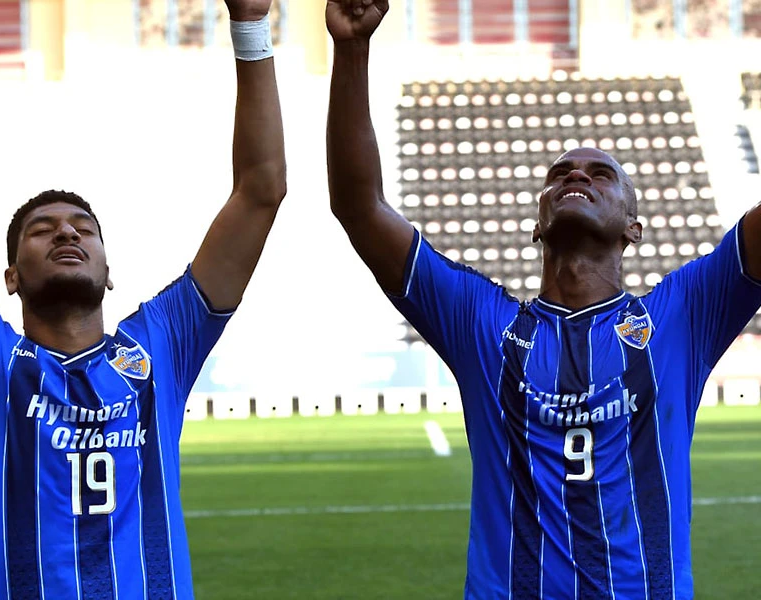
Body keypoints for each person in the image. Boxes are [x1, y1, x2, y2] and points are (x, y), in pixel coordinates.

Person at [325, 1, 761, 598]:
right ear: (536, 225)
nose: (576, 176)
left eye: (600, 175)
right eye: (560, 174)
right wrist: (352, 48)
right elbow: (359, 208)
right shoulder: (480, 323)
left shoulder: (681, 317)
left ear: (633, 227)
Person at [0, 0, 285, 597]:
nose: (66, 233)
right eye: (42, 230)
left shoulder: (158, 346)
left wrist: (250, 25)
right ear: (10, 278)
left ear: (109, 271)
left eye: (84, 229)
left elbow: (261, 191)